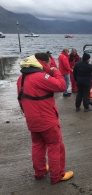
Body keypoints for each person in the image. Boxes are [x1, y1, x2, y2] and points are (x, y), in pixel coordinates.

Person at [17, 53, 73, 184]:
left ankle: (40, 171)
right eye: (49, 63)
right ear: (42, 63)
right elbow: (61, 86)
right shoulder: (40, 77)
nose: (49, 65)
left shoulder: (21, 78)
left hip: (31, 119)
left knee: (37, 144)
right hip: (46, 118)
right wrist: (56, 71)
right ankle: (57, 175)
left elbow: (21, 98)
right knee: (55, 146)